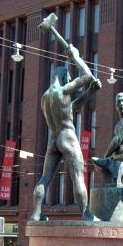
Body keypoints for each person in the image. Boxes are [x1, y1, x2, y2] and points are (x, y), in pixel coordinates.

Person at [30, 44, 101, 222]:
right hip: (68, 136)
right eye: (68, 77)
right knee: (78, 175)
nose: (70, 79)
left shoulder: (45, 97)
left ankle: (36, 213)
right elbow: (87, 75)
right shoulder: (62, 90)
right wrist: (75, 56)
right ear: (62, 76)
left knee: (45, 177)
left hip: (53, 139)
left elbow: (72, 108)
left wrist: (91, 91)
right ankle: (86, 213)